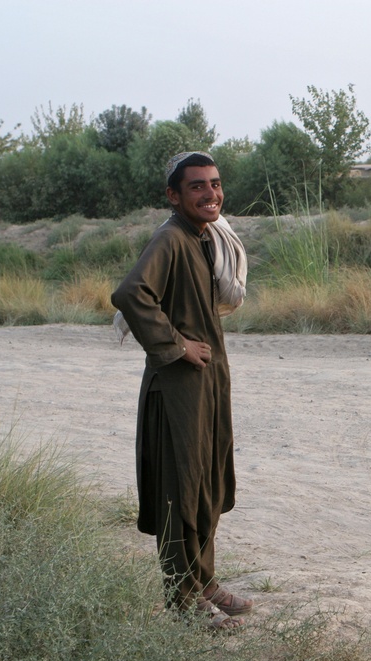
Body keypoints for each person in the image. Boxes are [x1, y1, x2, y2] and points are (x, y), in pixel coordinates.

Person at [111, 151, 252, 631]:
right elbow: (132, 293)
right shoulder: (170, 239)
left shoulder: (202, 238)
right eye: (197, 186)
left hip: (205, 387)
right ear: (174, 195)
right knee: (179, 491)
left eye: (214, 184)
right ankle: (183, 600)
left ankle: (204, 580)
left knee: (207, 484)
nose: (210, 193)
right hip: (176, 390)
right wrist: (177, 346)